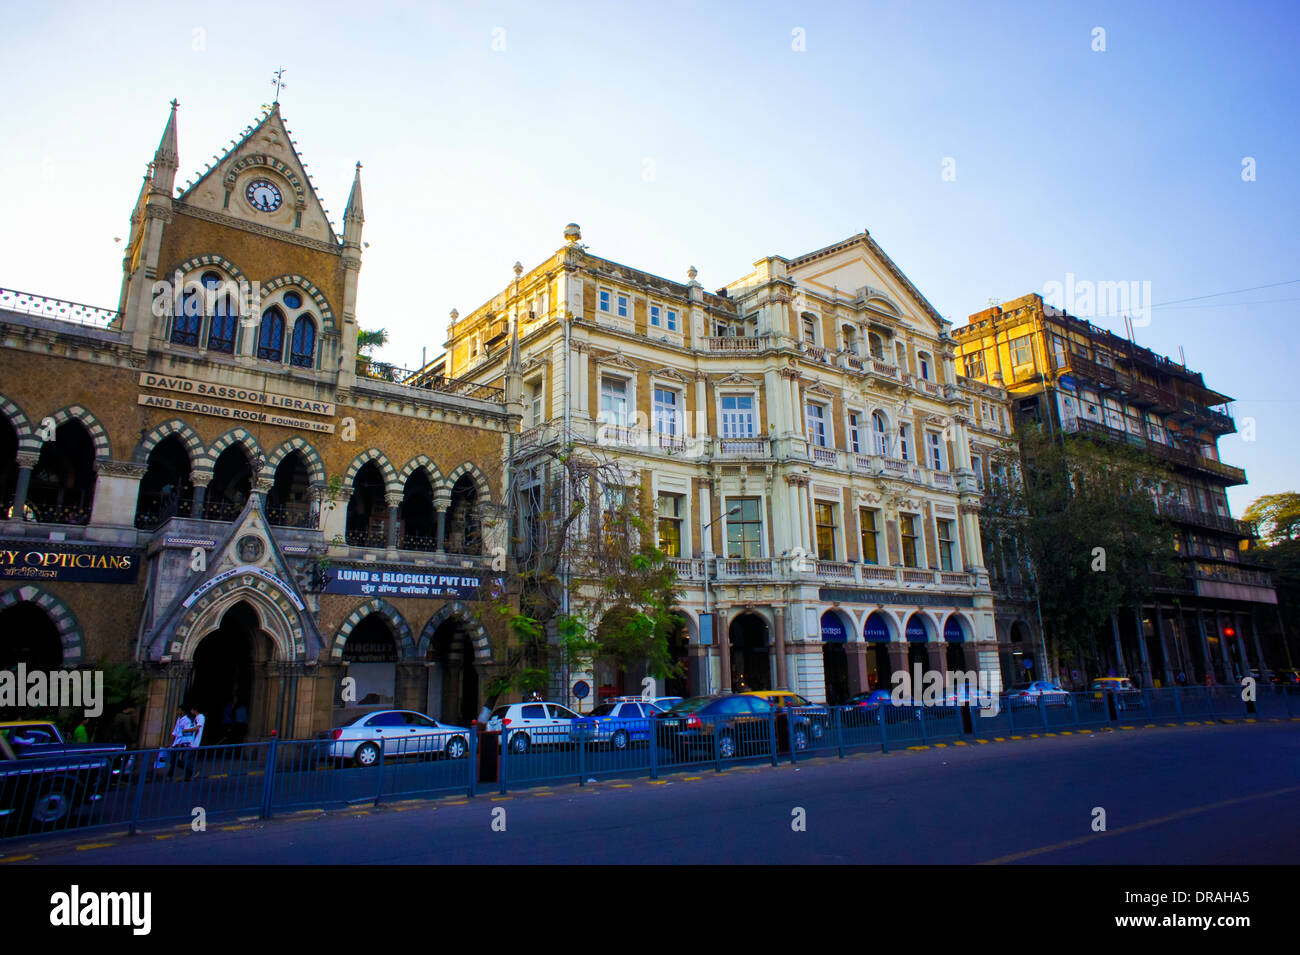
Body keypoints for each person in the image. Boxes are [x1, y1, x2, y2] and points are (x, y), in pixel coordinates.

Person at [168, 705, 205, 781]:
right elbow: (175, 731)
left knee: (185, 759)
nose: (177, 712)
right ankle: (188, 774)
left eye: (178, 710)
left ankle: (191, 772)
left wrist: (185, 732)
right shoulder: (181, 719)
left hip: (190, 742)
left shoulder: (197, 718)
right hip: (181, 742)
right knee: (174, 759)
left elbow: (195, 729)